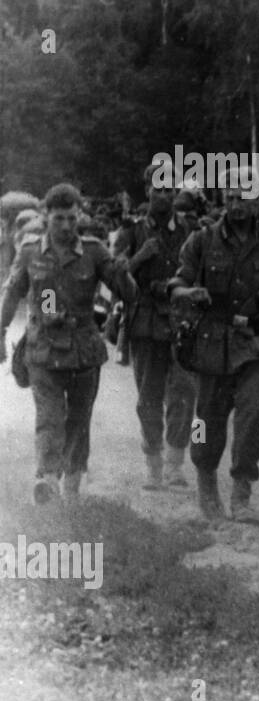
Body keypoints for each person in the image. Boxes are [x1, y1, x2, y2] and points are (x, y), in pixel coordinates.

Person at [168, 168, 259, 523]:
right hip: (213, 344)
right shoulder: (202, 240)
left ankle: (242, 495)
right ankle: (206, 483)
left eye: (243, 197)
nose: (235, 204)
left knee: (250, 417)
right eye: (229, 197)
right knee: (206, 420)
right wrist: (188, 292)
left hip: (257, 344)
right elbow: (176, 282)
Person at [0, 183, 137, 502]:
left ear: (79, 217)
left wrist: (123, 273)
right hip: (43, 350)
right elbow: (15, 292)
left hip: (83, 352)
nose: (65, 225)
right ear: (47, 216)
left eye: (71, 219)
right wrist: (1, 331)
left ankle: (72, 486)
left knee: (79, 420)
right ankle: (47, 478)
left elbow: (128, 295)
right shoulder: (31, 250)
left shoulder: (94, 251)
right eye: (59, 218)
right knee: (49, 417)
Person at [112, 166, 198, 489]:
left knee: (185, 392)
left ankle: (176, 461)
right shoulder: (131, 232)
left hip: (181, 321)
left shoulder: (190, 229)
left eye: (170, 189)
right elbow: (114, 279)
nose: (164, 195)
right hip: (145, 322)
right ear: (146, 188)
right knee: (148, 397)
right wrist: (139, 258)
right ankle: (153, 462)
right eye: (158, 188)